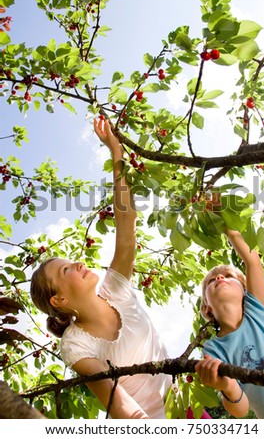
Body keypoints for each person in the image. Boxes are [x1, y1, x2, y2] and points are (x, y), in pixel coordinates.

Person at [30, 118, 172, 419]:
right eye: (66, 270)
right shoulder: (75, 345)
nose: (78, 263)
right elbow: (118, 403)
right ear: (59, 300)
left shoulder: (116, 289)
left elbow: (126, 219)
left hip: (183, 405)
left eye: (70, 261)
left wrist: (115, 151)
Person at [195, 228, 264, 419]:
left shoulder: (257, 309)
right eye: (212, 280)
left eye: (228, 276)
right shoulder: (213, 349)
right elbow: (241, 409)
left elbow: (252, 260)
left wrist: (223, 218)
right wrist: (227, 385)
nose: (220, 278)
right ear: (207, 308)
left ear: (245, 291)